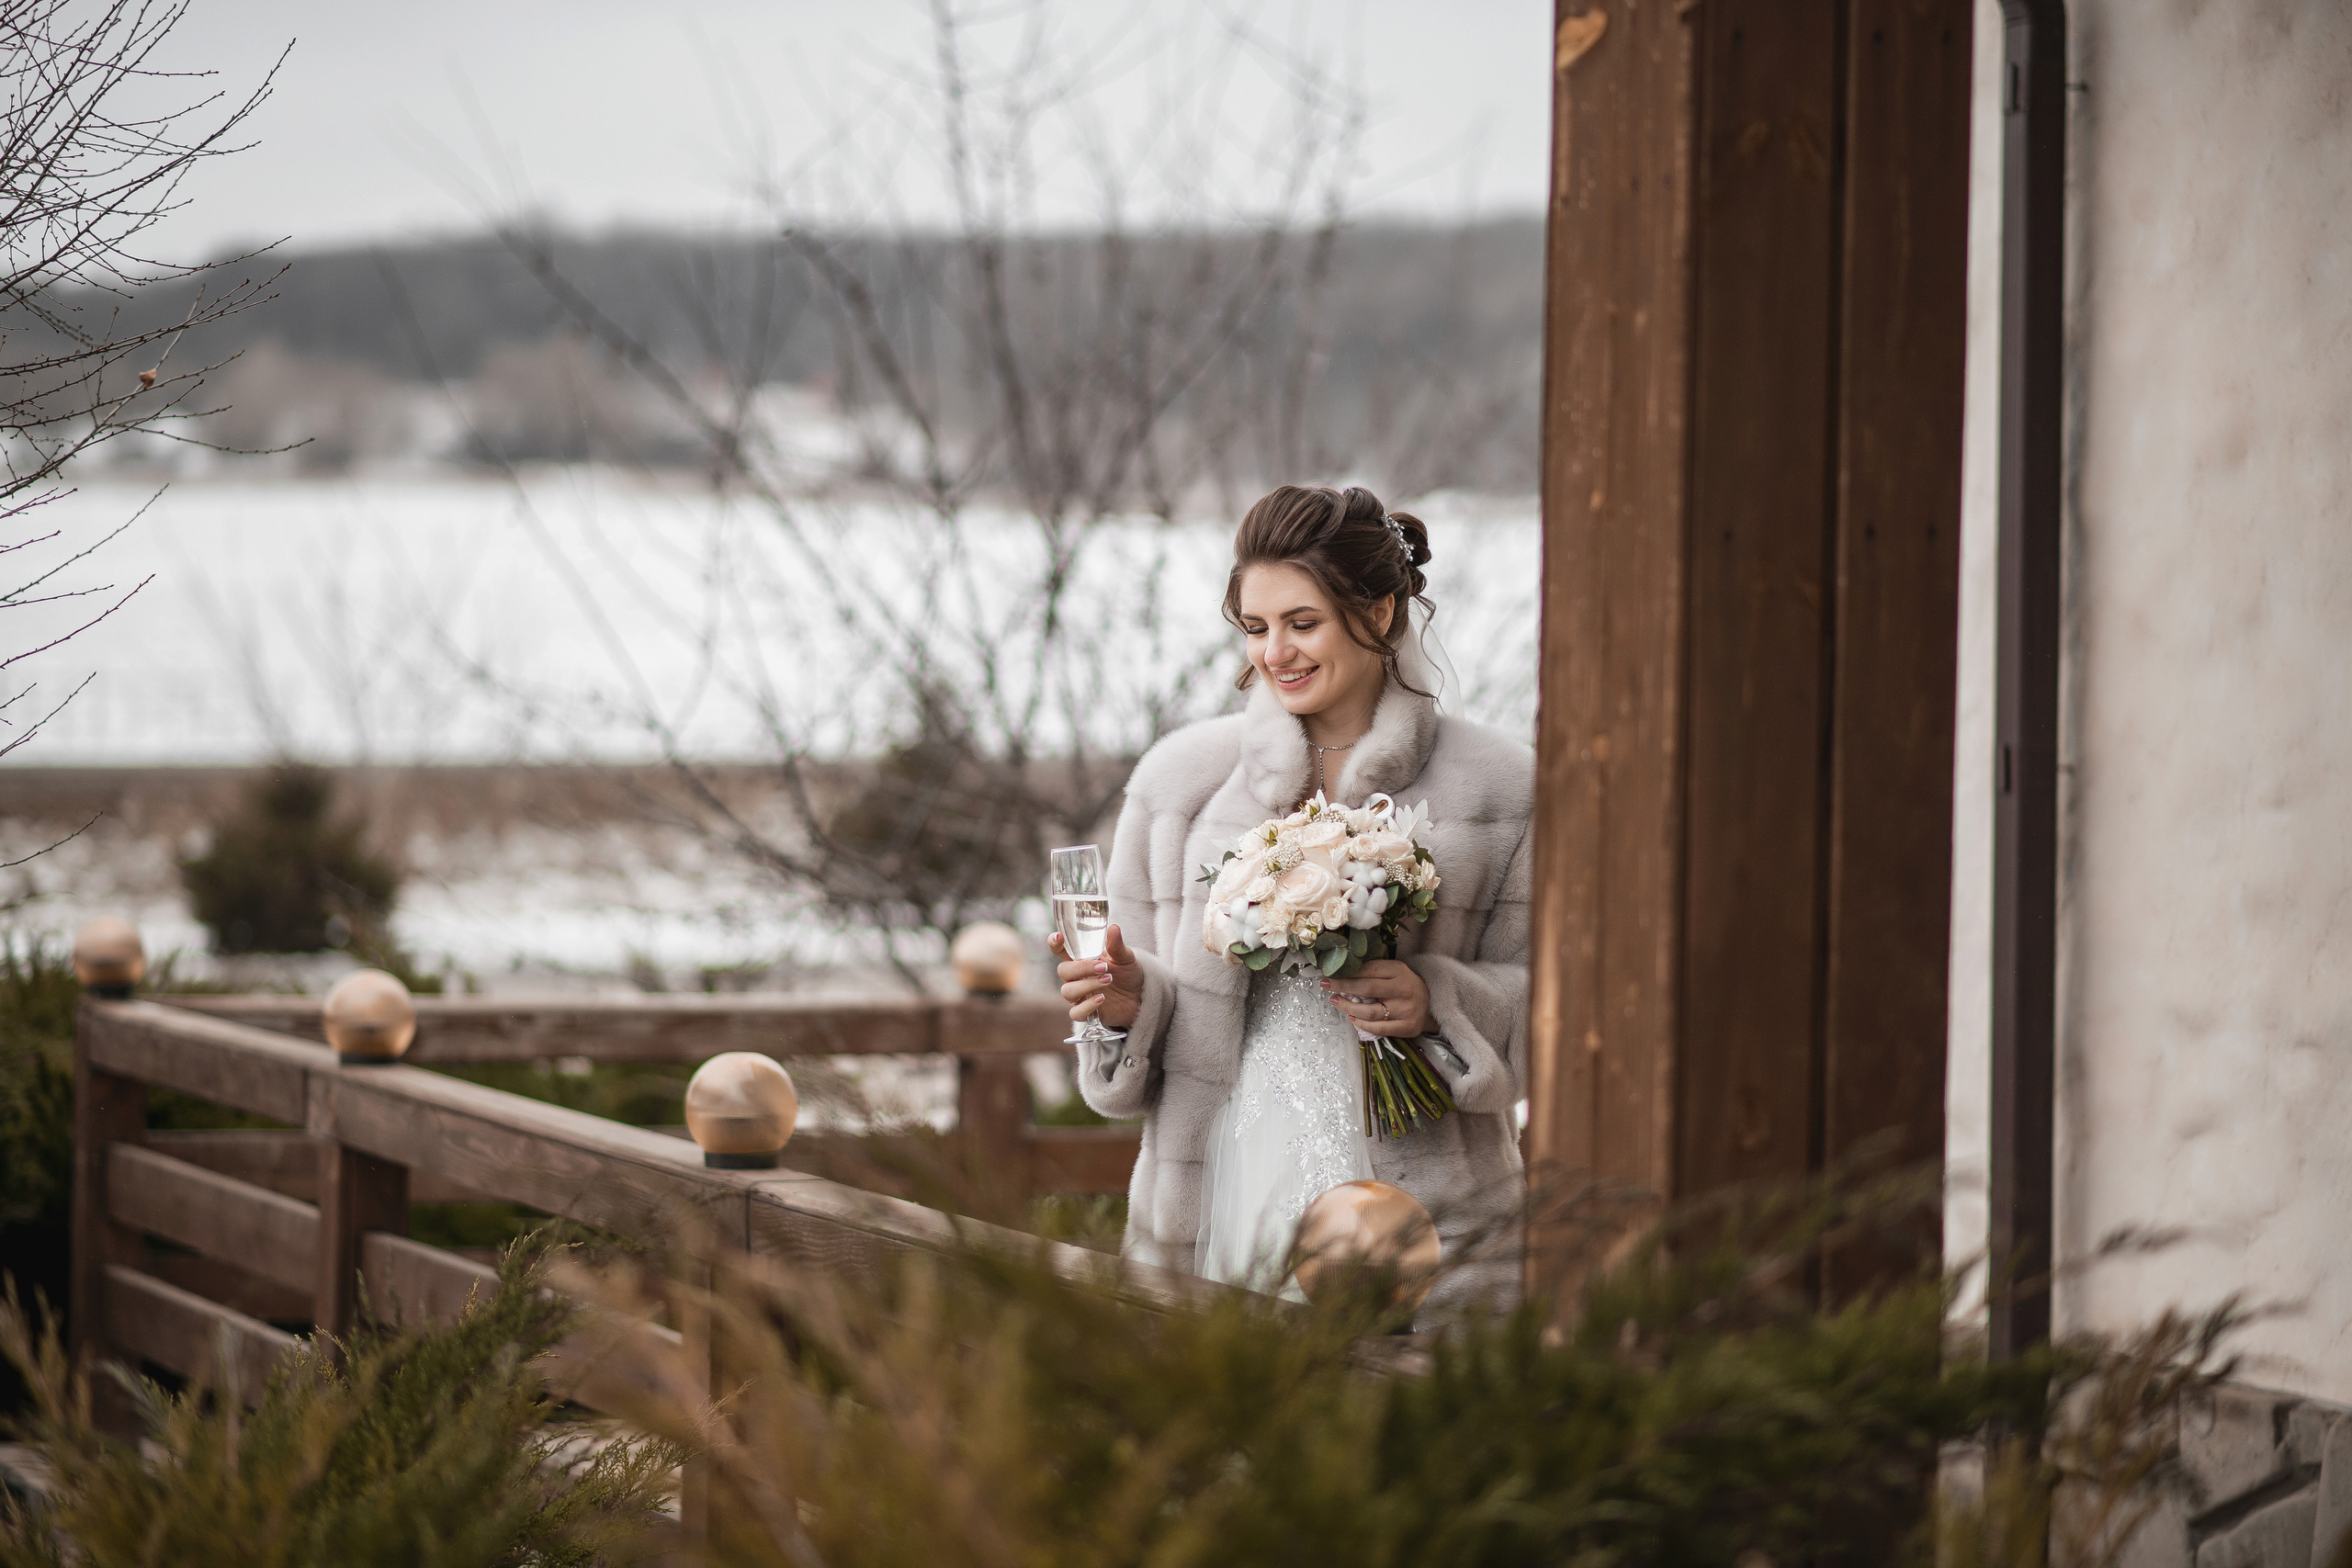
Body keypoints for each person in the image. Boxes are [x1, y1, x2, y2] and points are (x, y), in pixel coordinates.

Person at [1048, 483, 1533, 1316]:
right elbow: (1128, 1051)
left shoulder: (1501, 787)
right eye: (1255, 626)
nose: (1275, 652)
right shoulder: (1180, 785)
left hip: (1437, 1207)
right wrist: (1128, 1003)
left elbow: (1567, 1011)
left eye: (1302, 623)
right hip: (1221, 1184)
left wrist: (1438, 1002)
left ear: (1378, 612)